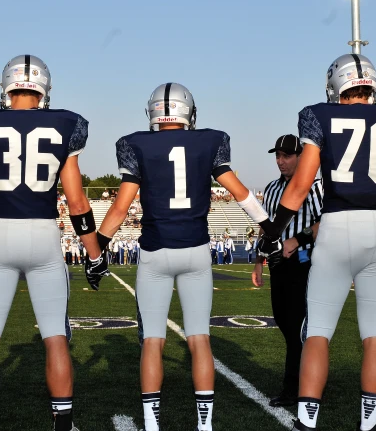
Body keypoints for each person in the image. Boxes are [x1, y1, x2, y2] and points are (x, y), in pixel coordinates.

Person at [97, 82, 271, 431]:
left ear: (154, 113)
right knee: (199, 338)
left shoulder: (137, 144)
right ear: (189, 112)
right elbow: (238, 192)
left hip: (156, 249)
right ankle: (204, 423)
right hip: (195, 250)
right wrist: (270, 223)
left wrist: (97, 246)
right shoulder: (209, 140)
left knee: (153, 341)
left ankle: (151, 422)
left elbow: (121, 205)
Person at [257, 54, 376, 431]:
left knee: (318, 330)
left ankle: (307, 420)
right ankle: (369, 423)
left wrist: (271, 232)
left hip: (338, 223)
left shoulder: (320, 115)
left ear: (335, 85)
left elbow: (300, 186)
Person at [0, 54, 104, 431]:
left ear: (6, 88)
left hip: (0, 235)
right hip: (43, 236)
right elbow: (77, 202)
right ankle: (62, 423)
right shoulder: (64, 124)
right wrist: (93, 254)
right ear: (44, 89)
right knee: (55, 336)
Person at [251, 134, 323, 407]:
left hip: (305, 262)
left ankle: (296, 387)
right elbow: (267, 228)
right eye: (278, 156)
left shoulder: (315, 186)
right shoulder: (271, 188)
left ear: (301, 157)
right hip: (278, 263)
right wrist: (259, 259)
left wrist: (300, 239)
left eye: (287, 156)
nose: (281, 161)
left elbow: (324, 222)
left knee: (298, 327)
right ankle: (308, 379)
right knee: (284, 322)